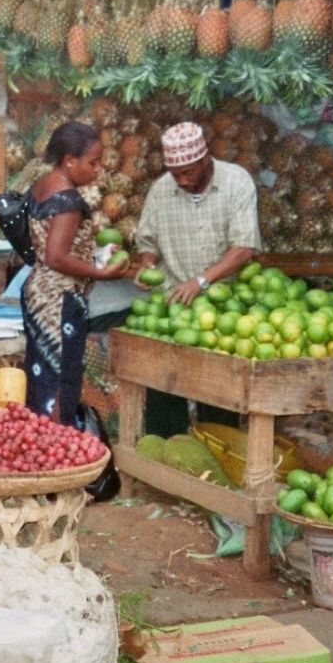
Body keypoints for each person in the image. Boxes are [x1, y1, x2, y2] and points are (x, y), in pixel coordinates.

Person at [133, 121, 261, 436]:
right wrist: (146, 265)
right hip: (170, 307)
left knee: (218, 396)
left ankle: (217, 458)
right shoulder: (162, 189)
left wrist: (201, 281)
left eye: (188, 172)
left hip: (223, 309)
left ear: (204, 160)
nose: (182, 180)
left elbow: (244, 247)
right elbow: (146, 243)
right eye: (176, 174)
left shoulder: (236, 182)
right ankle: (166, 460)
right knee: (164, 389)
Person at [23, 121, 128, 427]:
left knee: (42, 376)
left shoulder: (43, 184)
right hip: (59, 299)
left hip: (39, 292)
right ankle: (58, 453)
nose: (98, 170)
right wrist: (100, 273)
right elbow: (57, 256)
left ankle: (39, 446)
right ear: (70, 160)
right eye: (92, 162)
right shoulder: (68, 200)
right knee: (62, 382)